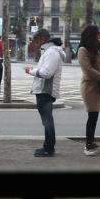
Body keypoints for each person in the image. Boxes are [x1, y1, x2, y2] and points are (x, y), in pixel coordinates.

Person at [25, 29, 67, 157]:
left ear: (42, 40)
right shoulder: (49, 52)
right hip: (43, 91)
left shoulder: (51, 53)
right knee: (47, 121)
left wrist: (31, 71)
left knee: (47, 121)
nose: (35, 44)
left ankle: (48, 148)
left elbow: (47, 73)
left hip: (46, 91)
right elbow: (45, 70)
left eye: (36, 41)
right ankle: (48, 147)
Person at [77, 25, 100, 156]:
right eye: (97, 34)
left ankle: (91, 142)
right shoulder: (83, 50)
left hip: (98, 85)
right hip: (89, 86)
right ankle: (88, 145)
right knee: (92, 116)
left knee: (95, 115)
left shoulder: (97, 49)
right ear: (91, 35)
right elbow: (88, 70)